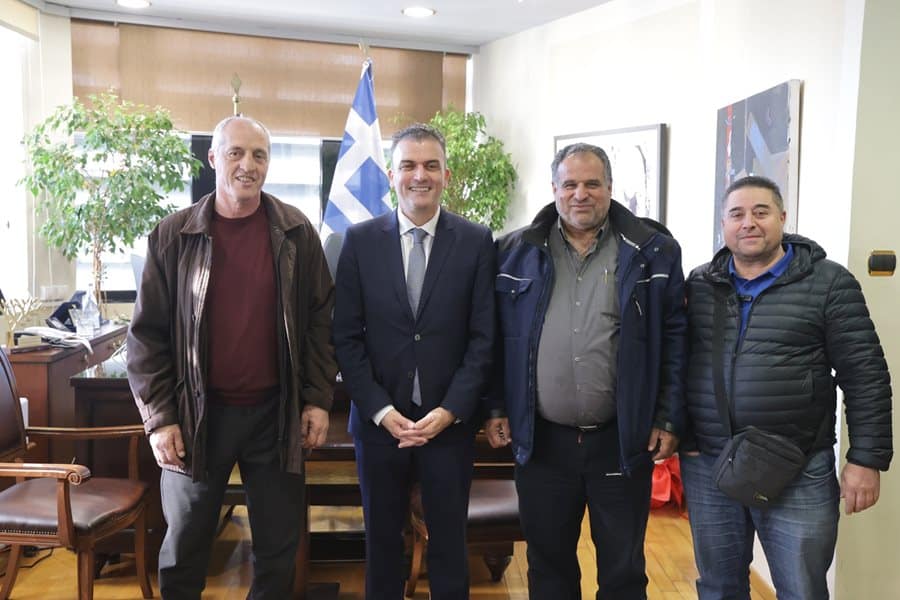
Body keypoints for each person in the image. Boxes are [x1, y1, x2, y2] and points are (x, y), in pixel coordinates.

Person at [127, 115, 337, 599]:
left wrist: (317, 398)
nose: (248, 165)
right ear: (213, 158)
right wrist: (160, 419)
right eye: (236, 153)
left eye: (259, 155)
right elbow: (146, 337)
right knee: (184, 547)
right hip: (196, 415)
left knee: (278, 549)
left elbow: (321, 322)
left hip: (276, 415)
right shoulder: (173, 236)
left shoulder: (296, 232)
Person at [485, 142, 688, 599]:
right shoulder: (514, 252)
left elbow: (676, 339)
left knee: (623, 571)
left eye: (592, 184)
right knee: (548, 567)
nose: (581, 194)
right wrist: (495, 405)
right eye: (570, 184)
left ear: (610, 188)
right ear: (554, 189)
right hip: (543, 443)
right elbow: (496, 339)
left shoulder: (653, 252)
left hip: (621, 441)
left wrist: (668, 416)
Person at [680, 175, 892, 600]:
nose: (748, 223)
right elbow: (679, 363)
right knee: (718, 587)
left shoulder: (829, 283)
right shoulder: (701, 284)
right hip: (711, 462)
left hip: (797, 465)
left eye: (760, 212)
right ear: (723, 224)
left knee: (801, 590)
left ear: (782, 217)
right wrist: (681, 433)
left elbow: (865, 374)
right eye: (737, 214)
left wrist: (865, 459)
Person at [332, 123, 495, 599]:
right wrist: (382, 411)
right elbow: (346, 339)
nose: (419, 176)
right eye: (408, 165)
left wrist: (450, 411)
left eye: (430, 166)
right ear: (391, 175)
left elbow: (484, 339)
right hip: (381, 427)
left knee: (449, 548)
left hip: (449, 427)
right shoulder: (359, 241)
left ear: (446, 174)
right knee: (382, 547)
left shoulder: (476, 241)